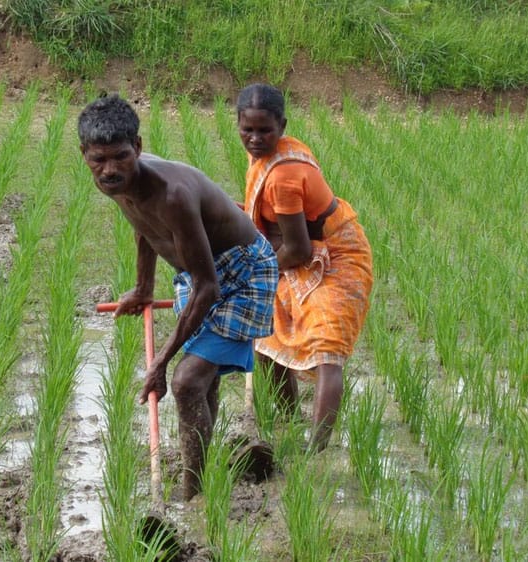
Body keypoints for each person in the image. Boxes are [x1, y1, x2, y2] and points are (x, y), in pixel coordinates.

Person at [78, 95, 278, 500]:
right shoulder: (116, 184)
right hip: (200, 269)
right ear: (84, 154)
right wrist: (143, 287)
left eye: (119, 156)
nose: (109, 169)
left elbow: (209, 287)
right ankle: (202, 478)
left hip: (243, 273)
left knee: (186, 381)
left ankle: (193, 495)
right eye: (98, 159)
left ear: (137, 146)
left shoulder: (172, 194)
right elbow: (145, 227)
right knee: (201, 381)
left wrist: (159, 363)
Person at [236, 83, 373, 452]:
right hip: (300, 248)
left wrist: (257, 273)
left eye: (265, 130)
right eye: (247, 129)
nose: (255, 138)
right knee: (268, 333)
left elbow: (295, 250)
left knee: (328, 347)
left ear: (282, 126)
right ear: (237, 125)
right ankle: (287, 419)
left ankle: (317, 447)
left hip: (336, 254)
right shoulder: (265, 159)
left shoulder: (283, 174)